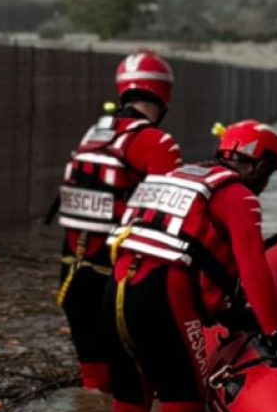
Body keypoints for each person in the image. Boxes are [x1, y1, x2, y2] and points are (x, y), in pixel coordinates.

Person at [102, 120, 277, 412]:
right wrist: (275, 333)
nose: (265, 184)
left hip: (114, 290)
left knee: (128, 409)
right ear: (260, 165)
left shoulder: (172, 177)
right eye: (268, 173)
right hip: (163, 294)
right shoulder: (238, 196)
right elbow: (254, 272)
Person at [53, 50, 182, 392]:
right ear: (164, 95)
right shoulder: (157, 143)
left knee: (94, 382)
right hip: (118, 279)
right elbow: (174, 219)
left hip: (71, 271)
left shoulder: (94, 134)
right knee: (134, 380)